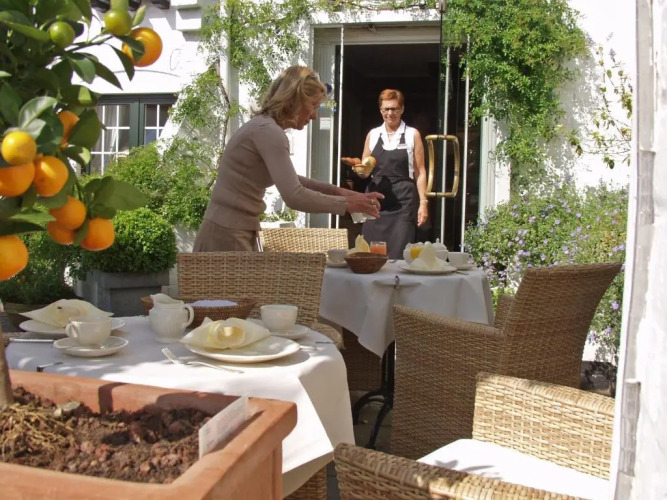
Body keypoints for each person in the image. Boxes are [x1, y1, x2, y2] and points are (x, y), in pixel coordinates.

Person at [193, 65, 384, 252]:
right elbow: (294, 195)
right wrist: (347, 205)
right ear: (294, 101)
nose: (315, 116)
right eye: (313, 106)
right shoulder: (268, 132)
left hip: (232, 230)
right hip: (226, 234)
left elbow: (293, 180)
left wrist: (344, 193)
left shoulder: (264, 127)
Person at [342, 89, 428, 259]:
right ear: (380, 110)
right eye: (386, 109)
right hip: (376, 204)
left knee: (400, 254)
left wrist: (423, 203)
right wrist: (358, 168)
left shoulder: (412, 135)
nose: (390, 113)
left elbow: (420, 172)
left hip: (403, 203)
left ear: (402, 109)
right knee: (371, 255)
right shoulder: (373, 135)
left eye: (394, 109)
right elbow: (365, 171)